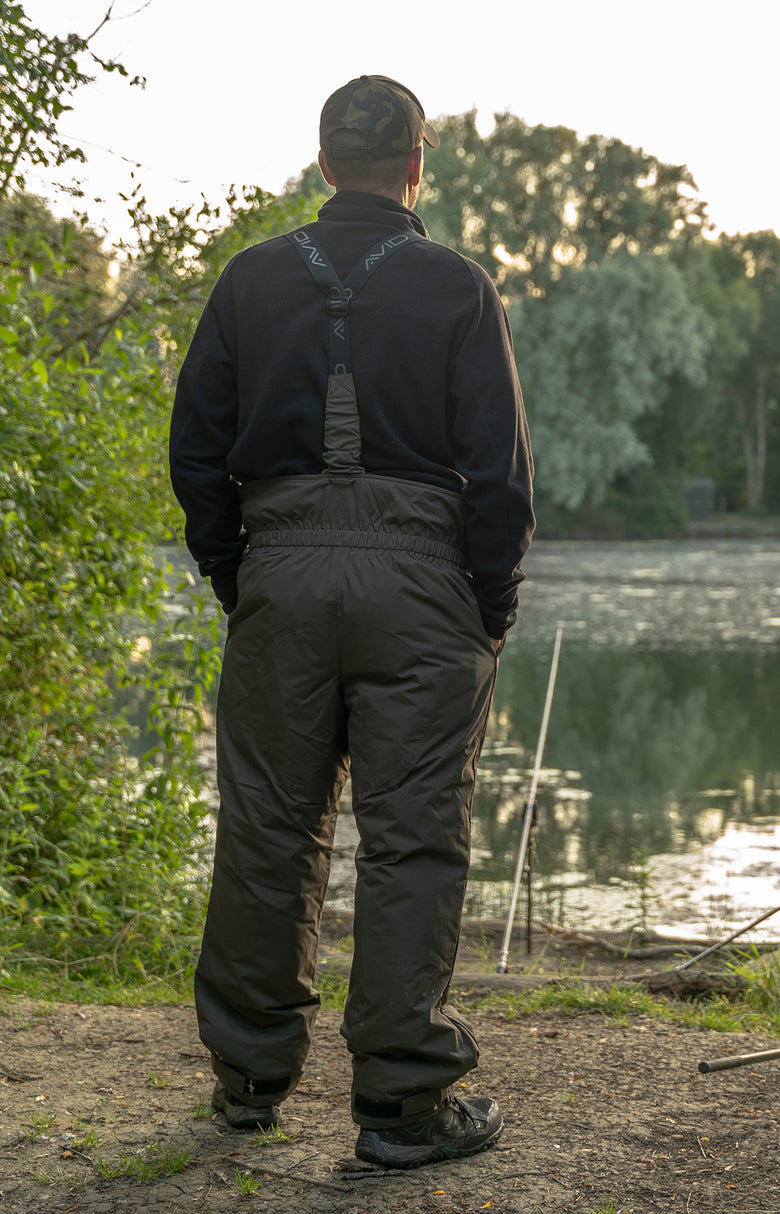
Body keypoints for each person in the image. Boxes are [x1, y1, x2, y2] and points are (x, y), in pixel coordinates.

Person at [169, 74, 534, 1169]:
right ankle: (402, 1103)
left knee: (267, 826)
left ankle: (248, 1078)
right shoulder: (458, 287)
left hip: (279, 570)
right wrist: (487, 610)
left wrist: (247, 577)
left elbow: (195, 455)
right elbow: (503, 478)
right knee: (412, 835)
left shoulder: (246, 283)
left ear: (324, 164)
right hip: (423, 585)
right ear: (416, 165)